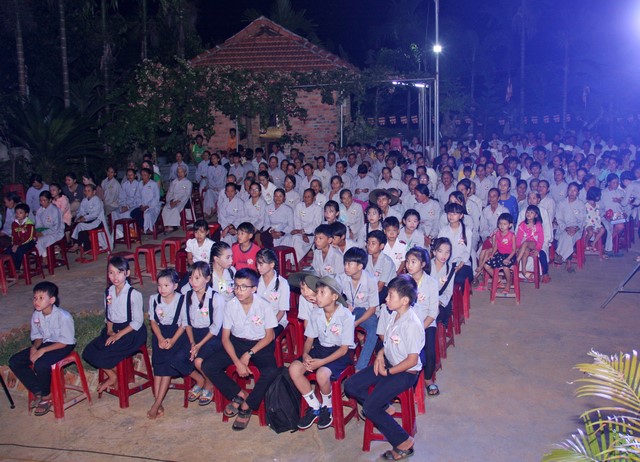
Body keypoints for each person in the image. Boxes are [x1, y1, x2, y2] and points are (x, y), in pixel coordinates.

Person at [344, 275, 424, 461]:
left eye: (391, 295)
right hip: (389, 361)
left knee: (370, 408)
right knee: (351, 385)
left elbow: (412, 360)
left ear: (404, 300)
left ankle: (403, 441)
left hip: (405, 372)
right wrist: (380, 355)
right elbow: (387, 342)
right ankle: (384, 406)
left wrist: (388, 372)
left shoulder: (412, 325)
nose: (386, 299)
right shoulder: (393, 314)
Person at [201, 268, 279, 431]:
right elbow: (225, 338)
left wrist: (248, 355)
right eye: (236, 286)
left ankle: (248, 405)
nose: (238, 290)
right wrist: (237, 362)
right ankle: (240, 394)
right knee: (208, 366)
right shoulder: (230, 305)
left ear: (254, 289)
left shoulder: (264, 306)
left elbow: (269, 337)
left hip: (260, 345)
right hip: (237, 343)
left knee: (271, 371)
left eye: (243, 287)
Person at [290, 274, 355, 430]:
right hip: (321, 349)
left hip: (339, 353)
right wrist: (305, 354)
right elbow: (309, 339)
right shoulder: (316, 313)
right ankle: (314, 406)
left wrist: (321, 363)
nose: (317, 296)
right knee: (294, 369)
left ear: (334, 297)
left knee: (321, 374)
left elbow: (344, 349)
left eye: (322, 293)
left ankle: (327, 405)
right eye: (317, 292)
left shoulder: (346, 316)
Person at [9, 281, 75, 417]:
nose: (36, 301)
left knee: (41, 364)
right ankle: (38, 390)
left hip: (63, 345)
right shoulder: (36, 315)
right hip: (46, 343)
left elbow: (65, 342)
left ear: (52, 300)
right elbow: (38, 337)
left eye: (41, 298)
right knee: (15, 361)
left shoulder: (63, 317)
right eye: (35, 298)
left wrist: (42, 351)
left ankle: (46, 396)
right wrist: (35, 347)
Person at [82, 256, 147, 393]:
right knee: (89, 351)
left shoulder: (133, 294)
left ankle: (118, 377)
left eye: (119, 272)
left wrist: (118, 336)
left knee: (106, 353)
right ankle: (113, 375)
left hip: (131, 332)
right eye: (111, 272)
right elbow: (109, 315)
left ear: (127, 273)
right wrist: (110, 330)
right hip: (113, 329)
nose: (115, 277)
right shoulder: (109, 293)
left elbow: (137, 322)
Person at [147, 269, 191, 419]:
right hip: (160, 335)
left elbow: (184, 324)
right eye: (159, 285)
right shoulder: (154, 299)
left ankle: (156, 404)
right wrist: (160, 338)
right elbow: (153, 321)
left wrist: (172, 340)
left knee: (166, 367)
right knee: (158, 367)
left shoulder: (182, 300)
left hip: (176, 336)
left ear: (175, 286)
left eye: (166, 285)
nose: (162, 289)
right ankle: (158, 401)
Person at [184, 262, 225, 406]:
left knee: (198, 361)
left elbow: (216, 327)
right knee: (177, 357)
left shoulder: (216, 298)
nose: (193, 282)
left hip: (212, 337)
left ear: (207, 279)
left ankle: (209, 384)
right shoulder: (187, 295)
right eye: (190, 278)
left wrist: (199, 345)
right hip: (194, 335)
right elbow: (186, 322)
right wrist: (192, 343)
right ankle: (200, 379)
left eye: (197, 278)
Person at [405, 247, 440, 395]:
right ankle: (403, 379)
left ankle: (427, 379)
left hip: (426, 323)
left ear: (423, 264)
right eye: (407, 261)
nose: (409, 265)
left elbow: (433, 312)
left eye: (413, 262)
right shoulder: (404, 281)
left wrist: (420, 328)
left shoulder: (431, 283)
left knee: (429, 351)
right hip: (406, 322)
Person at [338, 247, 379, 371]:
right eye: (345, 263)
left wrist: (356, 323)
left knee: (374, 329)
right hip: (349, 310)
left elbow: (372, 308)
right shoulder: (342, 278)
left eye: (349, 264)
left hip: (366, 312)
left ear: (360, 266)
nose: (346, 267)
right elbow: (334, 296)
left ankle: (360, 367)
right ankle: (340, 361)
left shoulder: (371, 280)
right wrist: (344, 306)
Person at [255, 249, 290, 337]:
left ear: (272, 265)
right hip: (260, 319)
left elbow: (282, 311)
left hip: (277, 320)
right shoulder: (257, 281)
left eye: (261, 264)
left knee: (264, 336)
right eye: (257, 264)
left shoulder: (282, 283)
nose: (258, 267)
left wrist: (269, 325)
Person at [68, 184, 110, 254]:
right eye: (85, 191)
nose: (87, 192)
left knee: (80, 226)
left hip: (98, 221)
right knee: (80, 226)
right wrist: (80, 217)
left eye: (89, 191)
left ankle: (76, 244)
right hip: (88, 221)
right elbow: (80, 211)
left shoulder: (97, 200)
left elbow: (95, 214)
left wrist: (85, 218)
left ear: (94, 192)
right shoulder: (84, 200)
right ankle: (87, 247)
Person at [438, 202, 473, 285]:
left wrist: (459, 266)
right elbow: (439, 248)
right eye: (449, 213)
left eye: (454, 214)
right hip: (446, 262)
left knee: (457, 279)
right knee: (439, 279)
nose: (451, 216)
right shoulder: (443, 231)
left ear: (461, 216)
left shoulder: (467, 231)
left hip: (462, 263)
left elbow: (467, 252)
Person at [480, 213, 516, 293]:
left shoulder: (511, 235)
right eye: (500, 224)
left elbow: (514, 250)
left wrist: (508, 258)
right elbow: (496, 246)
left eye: (504, 224)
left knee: (505, 267)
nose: (502, 226)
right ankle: (498, 280)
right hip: (500, 255)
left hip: (510, 255)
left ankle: (508, 283)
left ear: (510, 225)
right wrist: (492, 254)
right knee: (486, 265)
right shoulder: (497, 234)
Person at [555, 183, 586, 272]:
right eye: (570, 190)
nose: (572, 192)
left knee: (570, 236)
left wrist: (575, 228)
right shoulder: (561, 203)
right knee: (567, 236)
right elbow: (559, 218)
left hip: (576, 229)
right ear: (567, 191)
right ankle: (568, 262)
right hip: (563, 228)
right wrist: (566, 228)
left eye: (575, 190)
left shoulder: (580, 204)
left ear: (578, 193)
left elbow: (582, 219)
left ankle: (560, 255)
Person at [287, 188, 323, 261]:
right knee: (288, 238)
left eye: (308, 197)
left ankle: (295, 262)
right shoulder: (299, 206)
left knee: (296, 239)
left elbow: (315, 225)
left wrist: (304, 232)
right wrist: (302, 233)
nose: (306, 199)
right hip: (299, 232)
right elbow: (297, 221)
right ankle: (288, 261)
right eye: (305, 196)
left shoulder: (318, 209)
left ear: (314, 198)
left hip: (311, 234)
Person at [34, 191, 64, 266]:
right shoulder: (39, 211)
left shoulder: (55, 210)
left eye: (44, 200)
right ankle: (44, 255)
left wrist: (43, 233)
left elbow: (56, 227)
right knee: (34, 240)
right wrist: (38, 232)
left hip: (56, 232)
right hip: (44, 231)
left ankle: (45, 258)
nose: (42, 202)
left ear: (50, 200)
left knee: (40, 241)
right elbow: (38, 225)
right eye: (40, 200)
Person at [515, 206, 544, 281]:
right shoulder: (522, 225)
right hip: (524, 245)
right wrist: (517, 247)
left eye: (531, 212)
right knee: (526, 251)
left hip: (534, 244)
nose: (528, 214)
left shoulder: (538, 225)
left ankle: (516, 261)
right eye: (527, 212)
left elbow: (541, 239)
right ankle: (524, 271)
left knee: (525, 243)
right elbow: (519, 238)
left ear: (536, 215)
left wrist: (538, 249)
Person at [4, 203, 35, 271]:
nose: (18, 214)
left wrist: (17, 245)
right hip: (17, 243)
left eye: (20, 213)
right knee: (8, 251)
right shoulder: (14, 224)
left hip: (29, 242)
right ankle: (12, 268)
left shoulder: (29, 224)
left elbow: (28, 238)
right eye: (16, 213)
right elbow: (13, 236)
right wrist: (14, 244)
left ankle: (16, 268)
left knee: (19, 251)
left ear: (26, 214)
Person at [366, 230, 396, 299]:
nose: (369, 246)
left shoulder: (387, 262)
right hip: (370, 287)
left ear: (381, 246)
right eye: (368, 243)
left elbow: (380, 287)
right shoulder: (366, 258)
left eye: (373, 244)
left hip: (385, 289)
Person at [161, 165, 193, 232]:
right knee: (166, 208)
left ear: (185, 173)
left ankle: (174, 226)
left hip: (182, 201)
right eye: (178, 172)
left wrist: (177, 201)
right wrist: (170, 201)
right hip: (173, 199)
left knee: (175, 209)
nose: (180, 174)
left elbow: (187, 194)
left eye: (182, 172)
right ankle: (168, 225)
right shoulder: (174, 182)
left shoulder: (188, 183)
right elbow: (170, 192)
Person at [130, 168, 161, 234]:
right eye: (142, 175)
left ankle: (148, 228)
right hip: (142, 205)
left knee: (148, 214)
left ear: (149, 175)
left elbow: (156, 197)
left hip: (152, 206)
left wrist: (148, 206)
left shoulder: (153, 184)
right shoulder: (140, 184)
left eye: (145, 175)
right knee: (133, 213)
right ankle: (143, 227)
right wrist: (140, 205)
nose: (143, 177)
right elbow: (137, 196)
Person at [583, 187, 606, 257]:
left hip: (596, 223)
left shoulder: (597, 205)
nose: (599, 196)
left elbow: (597, 214)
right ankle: (586, 242)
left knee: (602, 230)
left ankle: (593, 243)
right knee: (590, 232)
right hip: (588, 223)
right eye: (598, 195)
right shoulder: (585, 205)